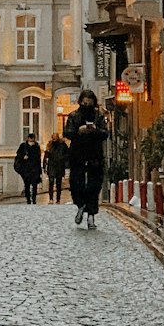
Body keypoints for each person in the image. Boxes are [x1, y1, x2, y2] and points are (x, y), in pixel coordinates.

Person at [63, 89, 108, 229]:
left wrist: (94, 129)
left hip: (95, 155)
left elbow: (105, 133)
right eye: (84, 102)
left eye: (90, 102)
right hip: (78, 155)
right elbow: (68, 133)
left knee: (94, 187)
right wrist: (79, 131)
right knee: (77, 185)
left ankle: (91, 216)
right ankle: (81, 206)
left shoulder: (98, 116)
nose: (87, 105)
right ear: (80, 102)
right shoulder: (73, 116)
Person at [13, 132, 42, 204]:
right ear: (28, 139)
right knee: (27, 185)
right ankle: (28, 199)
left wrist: (40, 170)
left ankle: (34, 199)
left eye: (32, 139)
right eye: (30, 139)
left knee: (34, 185)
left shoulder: (36, 146)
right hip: (26, 169)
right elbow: (18, 155)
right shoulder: (23, 146)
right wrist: (23, 157)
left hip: (34, 169)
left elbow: (38, 158)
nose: (31, 141)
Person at [43, 132, 69, 203]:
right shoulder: (49, 145)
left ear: (57, 137)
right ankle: (51, 198)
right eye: (53, 137)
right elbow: (46, 155)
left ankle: (58, 199)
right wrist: (44, 165)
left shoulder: (62, 145)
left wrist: (63, 160)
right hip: (51, 165)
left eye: (55, 137)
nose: (54, 138)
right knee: (51, 182)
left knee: (58, 183)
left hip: (59, 166)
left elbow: (67, 154)